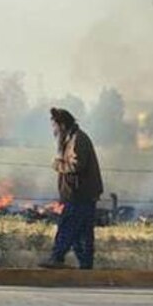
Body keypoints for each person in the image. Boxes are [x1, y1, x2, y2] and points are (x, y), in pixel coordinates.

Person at [39, 108, 103, 270]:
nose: (53, 130)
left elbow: (76, 165)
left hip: (79, 194)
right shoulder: (72, 138)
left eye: (54, 126)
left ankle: (57, 257)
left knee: (67, 226)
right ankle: (86, 266)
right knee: (82, 234)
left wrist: (58, 164)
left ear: (62, 125)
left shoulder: (77, 140)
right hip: (82, 193)